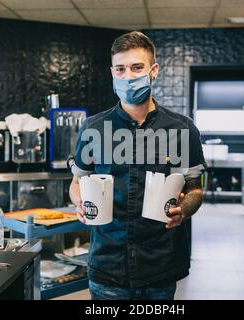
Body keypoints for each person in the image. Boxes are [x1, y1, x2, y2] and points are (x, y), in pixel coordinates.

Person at [69, 31, 206, 300]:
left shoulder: (182, 128)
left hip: (160, 265)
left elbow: (195, 189)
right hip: (108, 267)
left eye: (137, 68)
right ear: (112, 72)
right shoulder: (93, 128)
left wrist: (184, 210)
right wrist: (80, 203)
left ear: (153, 71)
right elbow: (77, 183)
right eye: (120, 69)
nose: (128, 76)